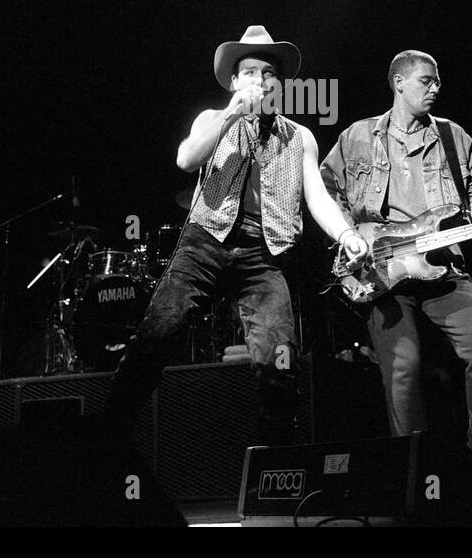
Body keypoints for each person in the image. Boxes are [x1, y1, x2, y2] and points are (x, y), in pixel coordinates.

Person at [105, 26, 369, 445]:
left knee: (279, 359)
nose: (259, 81)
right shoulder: (212, 119)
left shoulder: (300, 137)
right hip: (204, 241)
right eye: (249, 72)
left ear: (279, 85)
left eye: (268, 73)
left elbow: (316, 196)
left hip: (264, 253)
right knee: (155, 337)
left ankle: (275, 467)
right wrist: (230, 115)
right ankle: (108, 440)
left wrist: (345, 233)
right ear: (234, 80)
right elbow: (186, 159)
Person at [320, 50, 472, 462]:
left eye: (438, 81)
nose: (435, 88)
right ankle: (414, 469)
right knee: (403, 367)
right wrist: (350, 235)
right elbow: (326, 193)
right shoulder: (356, 137)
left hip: (442, 266)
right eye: (427, 80)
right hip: (382, 269)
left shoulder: (455, 138)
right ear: (399, 83)